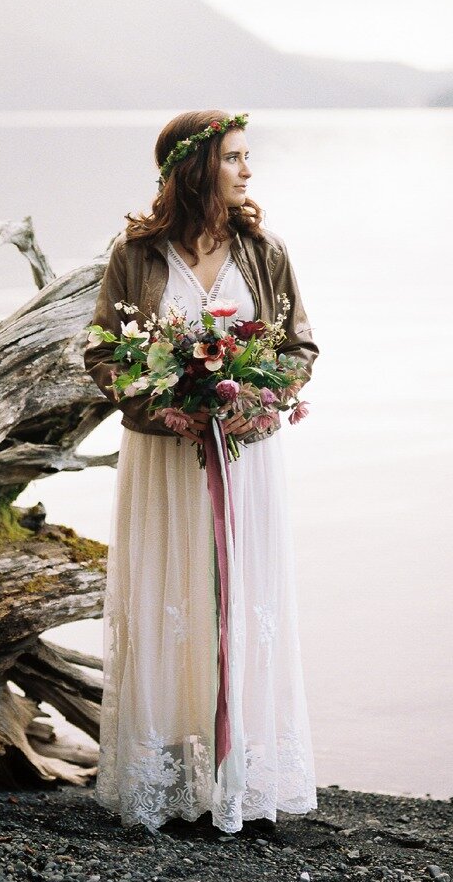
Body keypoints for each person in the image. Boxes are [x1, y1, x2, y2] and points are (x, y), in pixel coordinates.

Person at [82, 110, 319, 836]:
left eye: (249, 157)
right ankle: (170, 776)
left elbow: (300, 347)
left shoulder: (263, 249)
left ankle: (242, 772)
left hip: (245, 460)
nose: (248, 170)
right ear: (195, 168)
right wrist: (166, 407)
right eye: (235, 158)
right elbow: (100, 352)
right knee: (170, 597)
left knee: (242, 598)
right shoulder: (137, 253)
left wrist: (253, 401)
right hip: (163, 459)